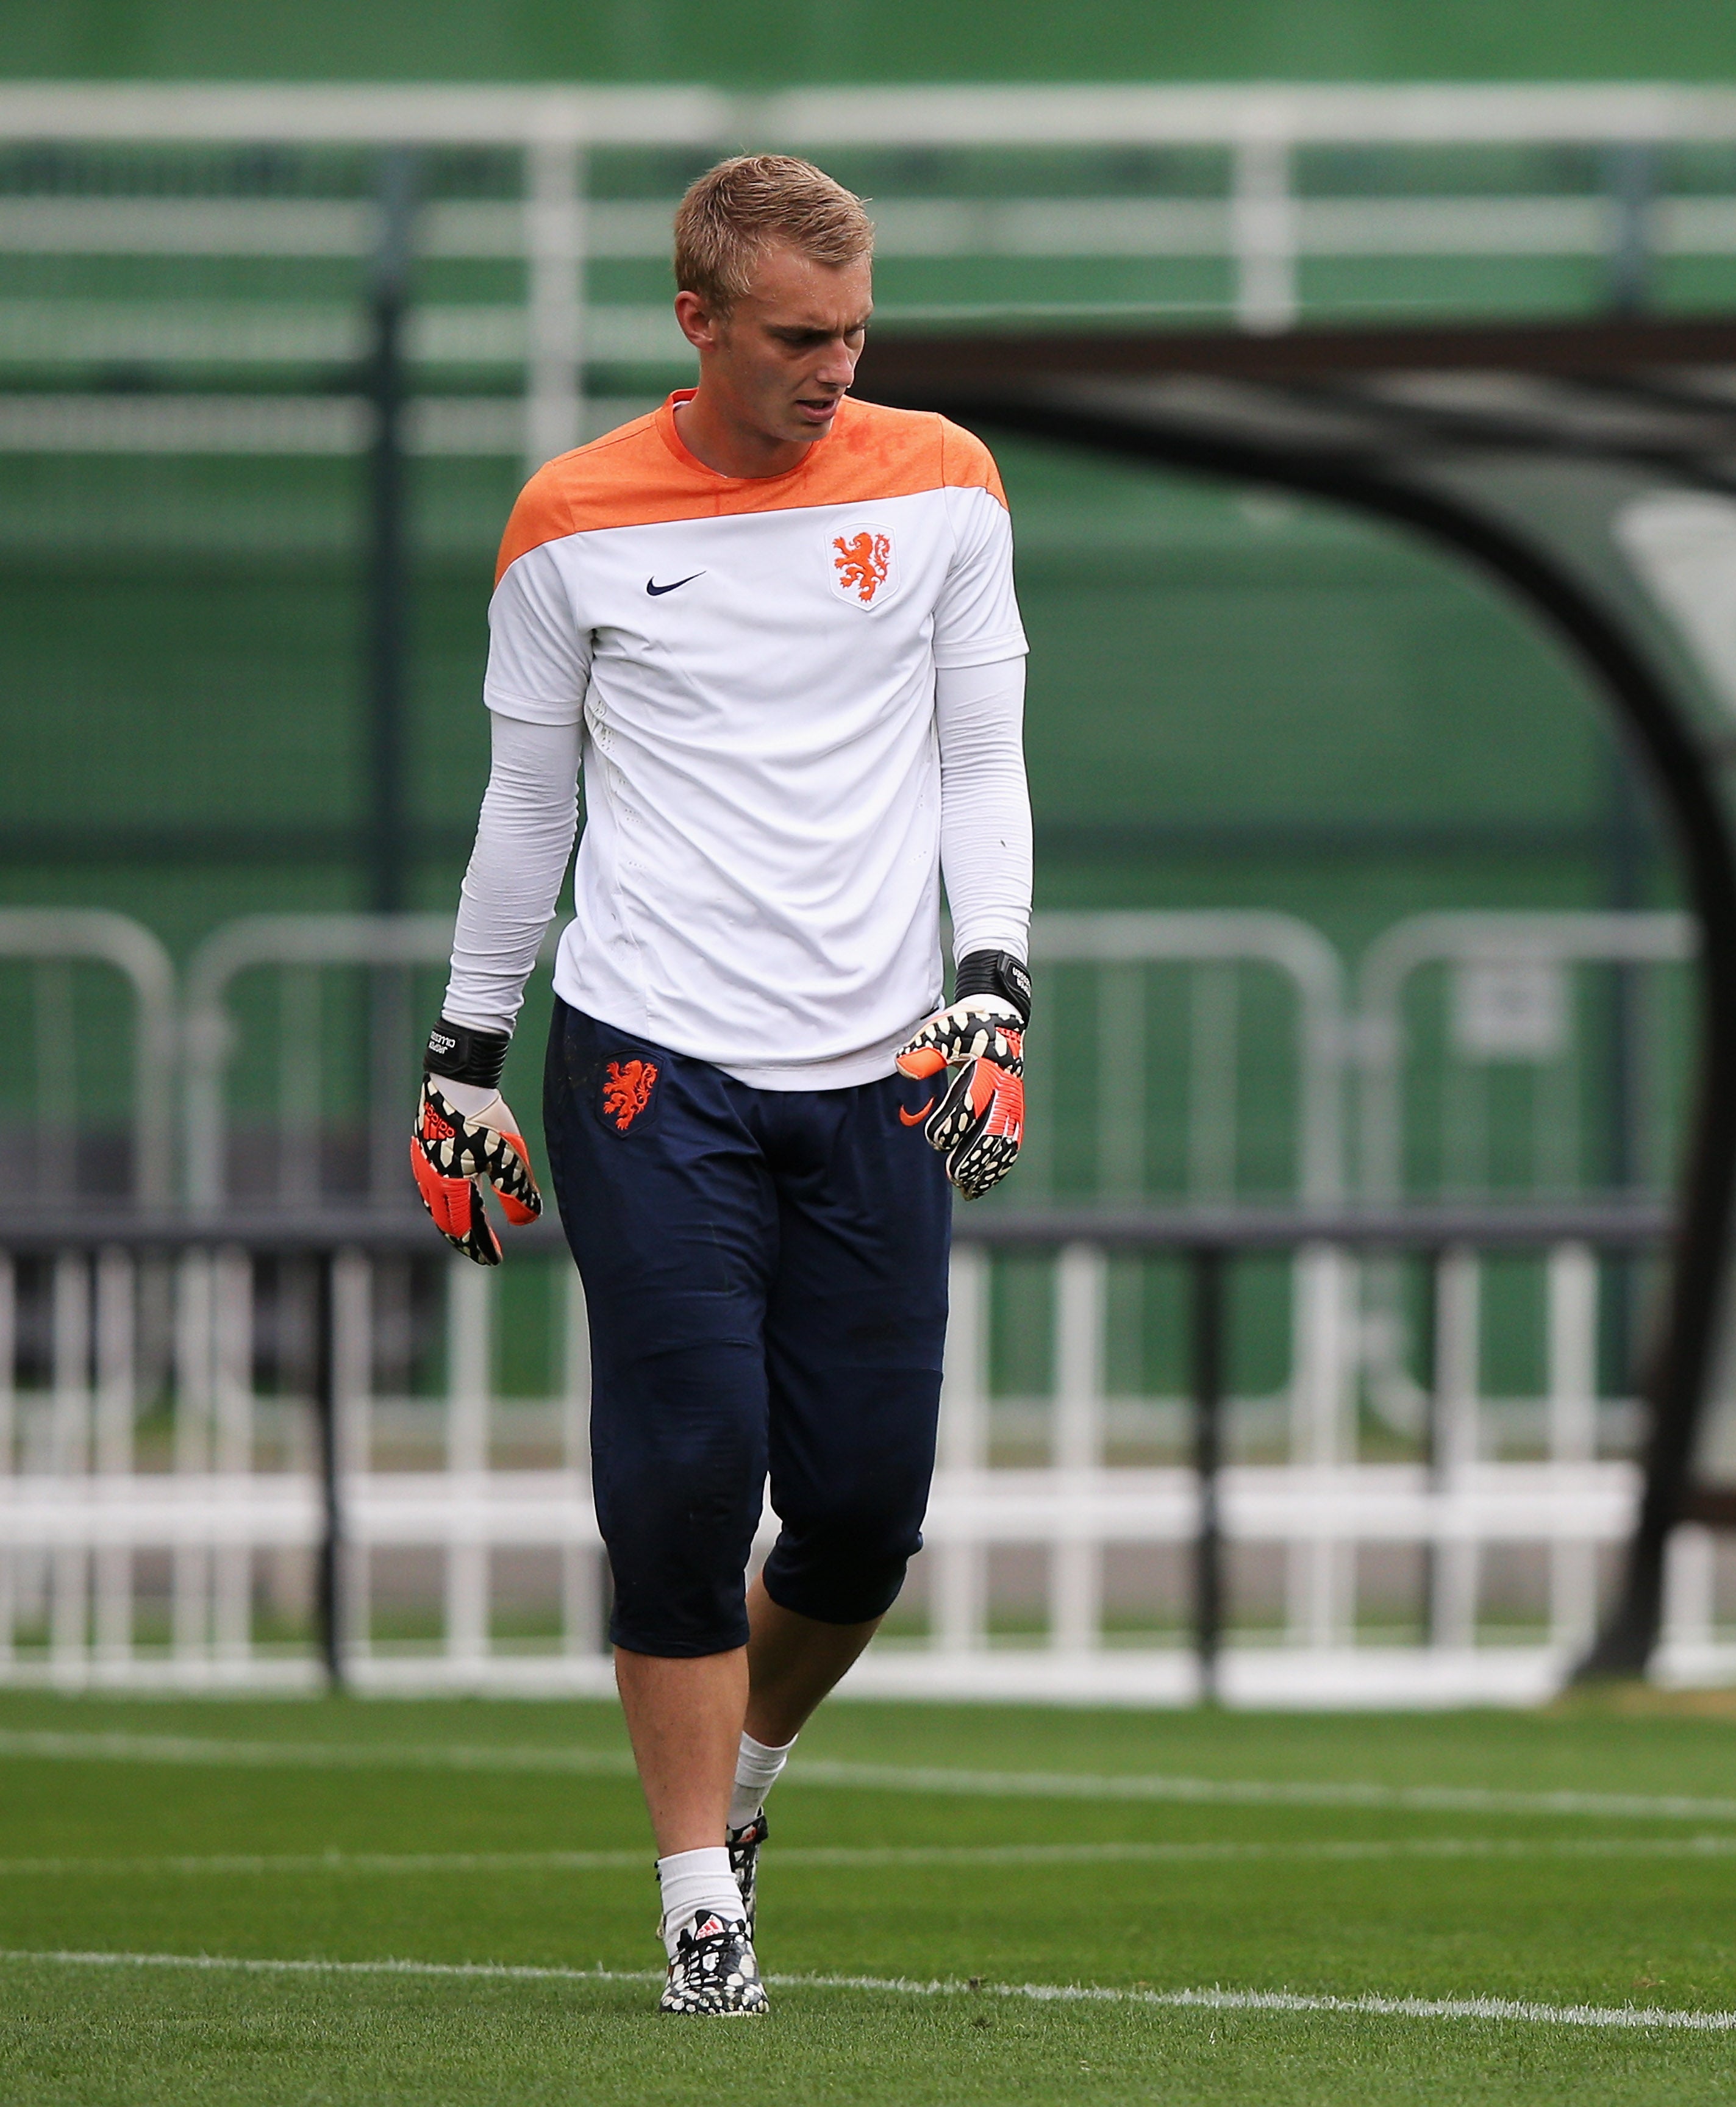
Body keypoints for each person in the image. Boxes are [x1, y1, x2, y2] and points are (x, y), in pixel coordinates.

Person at [406, 154, 1034, 2012]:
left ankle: (744, 1791)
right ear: (697, 322)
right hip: (647, 1061)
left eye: (854, 330)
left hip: (876, 1066)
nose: (835, 364)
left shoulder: (945, 484)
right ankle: (697, 1903)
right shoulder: (571, 519)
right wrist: (464, 1054)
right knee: (686, 1470)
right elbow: (531, 808)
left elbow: (979, 765)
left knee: (861, 1514)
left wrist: (991, 985)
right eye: (795, 335)